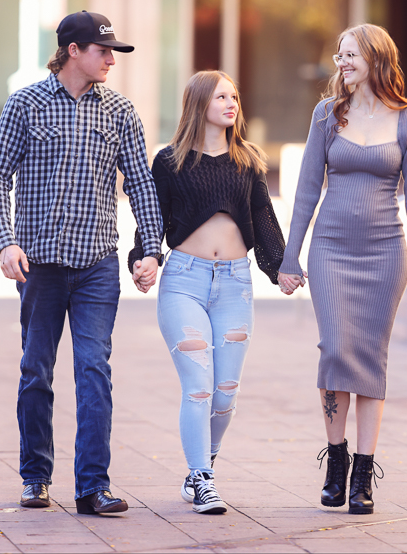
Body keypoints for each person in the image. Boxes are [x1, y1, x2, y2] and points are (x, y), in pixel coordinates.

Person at [0, 11, 163, 515]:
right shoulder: (25, 105)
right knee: (36, 371)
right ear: (71, 51)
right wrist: (6, 242)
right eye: (102, 50)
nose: (110, 59)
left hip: (97, 266)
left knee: (93, 370)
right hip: (36, 266)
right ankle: (36, 477)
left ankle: (92, 487)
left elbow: (142, 184)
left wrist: (150, 249)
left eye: (113, 51)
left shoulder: (121, 112)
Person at [278, 24, 407, 514]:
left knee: (370, 357)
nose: (341, 63)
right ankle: (337, 459)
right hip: (331, 250)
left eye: (350, 55)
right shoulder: (327, 114)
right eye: (338, 55)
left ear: (376, 58)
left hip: (386, 252)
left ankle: (364, 474)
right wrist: (290, 255)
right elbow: (305, 191)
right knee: (336, 350)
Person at [129, 70, 286, 514]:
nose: (232, 102)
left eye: (235, 96)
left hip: (235, 284)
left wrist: (282, 268)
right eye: (222, 96)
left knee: (226, 391)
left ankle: (204, 464)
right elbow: (150, 217)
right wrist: (146, 257)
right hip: (185, 282)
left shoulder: (249, 160)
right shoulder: (170, 161)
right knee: (198, 385)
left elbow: (264, 218)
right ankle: (202, 478)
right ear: (200, 103)